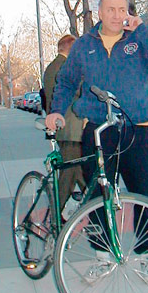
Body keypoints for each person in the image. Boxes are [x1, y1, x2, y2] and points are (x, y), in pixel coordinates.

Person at [46, 0, 148, 281]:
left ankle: (146, 255)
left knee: (144, 193)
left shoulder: (139, 39)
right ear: (99, 12)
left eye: (122, 9)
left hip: (138, 130)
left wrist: (142, 30)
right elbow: (65, 82)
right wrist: (56, 111)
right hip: (100, 131)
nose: (117, 15)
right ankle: (102, 256)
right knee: (97, 195)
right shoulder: (83, 47)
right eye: (111, 10)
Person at [44, 34, 86, 212]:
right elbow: (77, 90)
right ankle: (57, 212)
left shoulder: (53, 66)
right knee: (69, 174)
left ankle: (95, 204)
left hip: (67, 127)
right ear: (71, 48)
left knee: (78, 171)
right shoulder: (64, 66)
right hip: (71, 127)